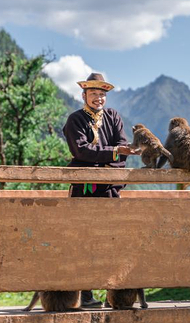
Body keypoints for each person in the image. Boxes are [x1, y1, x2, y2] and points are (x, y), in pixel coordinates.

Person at [62, 73, 138, 307]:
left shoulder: (114, 117)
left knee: (111, 241)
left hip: (109, 191)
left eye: (102, 95)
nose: (99, 99)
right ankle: (85, 295)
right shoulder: (75, 120)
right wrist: (113, 154)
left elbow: (124, 147)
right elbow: (81, 151)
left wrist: (109, 159)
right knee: (82, 242)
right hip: (84, 191)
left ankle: (113, 295)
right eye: (94, 94)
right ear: (84, 95)